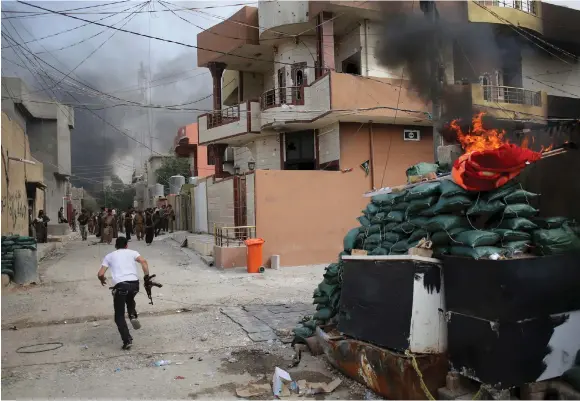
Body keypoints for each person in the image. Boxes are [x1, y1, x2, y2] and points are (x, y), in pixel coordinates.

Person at [97, 237, 150, 350]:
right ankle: (132, 314)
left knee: (119, 315)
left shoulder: (109, 256)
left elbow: (101, 273)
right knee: (130, 297)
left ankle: (127, 340)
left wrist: (102, 279)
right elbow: (144, 262)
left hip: (121, 286)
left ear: (116, 246)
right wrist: (146, 277)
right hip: (134, 284)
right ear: (126, 246)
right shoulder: (133, 253)